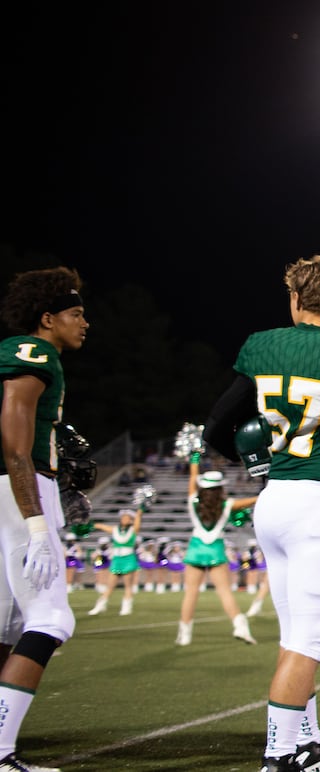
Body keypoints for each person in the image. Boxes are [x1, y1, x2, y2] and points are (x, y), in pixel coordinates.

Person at [202, 254, 320, 772]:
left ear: (294, 299)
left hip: (273, 501)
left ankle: (306, 748)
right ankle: (279, 755)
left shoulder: (262, 344)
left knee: (295, 637)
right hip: (317, 505)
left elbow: (216, 428)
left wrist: (256, 460)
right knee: (314, 636)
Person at [0, 266, 89, 772]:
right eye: (76, 314)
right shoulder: (33, 353)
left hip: (16, 488)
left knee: (8, 626)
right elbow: (15, 446)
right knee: (51, 617)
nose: (85, 323)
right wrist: (36, 520)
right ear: (47, 317)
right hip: (17, 490)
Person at [176, 464, 258, 646]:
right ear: (220, 487)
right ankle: (240, 626)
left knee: (190, 593)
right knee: (224, 591)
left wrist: (195, 458)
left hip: (196, 548)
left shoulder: (193, 501)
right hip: (215, 548)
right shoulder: (228, 504)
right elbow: (253, 500)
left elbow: (192, 477)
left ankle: (185, 634)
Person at [88, 507, 142, 616]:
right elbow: (102, 526)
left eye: (127, 518)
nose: (125, 519)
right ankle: (100, 605)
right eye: (123, 517)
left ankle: (126, 607)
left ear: (131, 520)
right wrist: (89, 525)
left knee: (127, 585)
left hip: (128, 559)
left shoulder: (133, 530)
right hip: (117, 559)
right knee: (110, 585)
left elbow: (138, 520)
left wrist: (140, 510)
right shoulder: (115, 529)